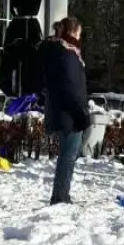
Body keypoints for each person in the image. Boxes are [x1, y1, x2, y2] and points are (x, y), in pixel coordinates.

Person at [40, 16, 89, 206]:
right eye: (79, 32)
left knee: (68, 155)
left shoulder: (58, 52)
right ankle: (60, 196)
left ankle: (61, 194)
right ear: (73, 31)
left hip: (61, 110)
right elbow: (69, 86)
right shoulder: (67, 54)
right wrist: (79, 113)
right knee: (68, 155)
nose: (80, 36)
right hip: (69, 113)